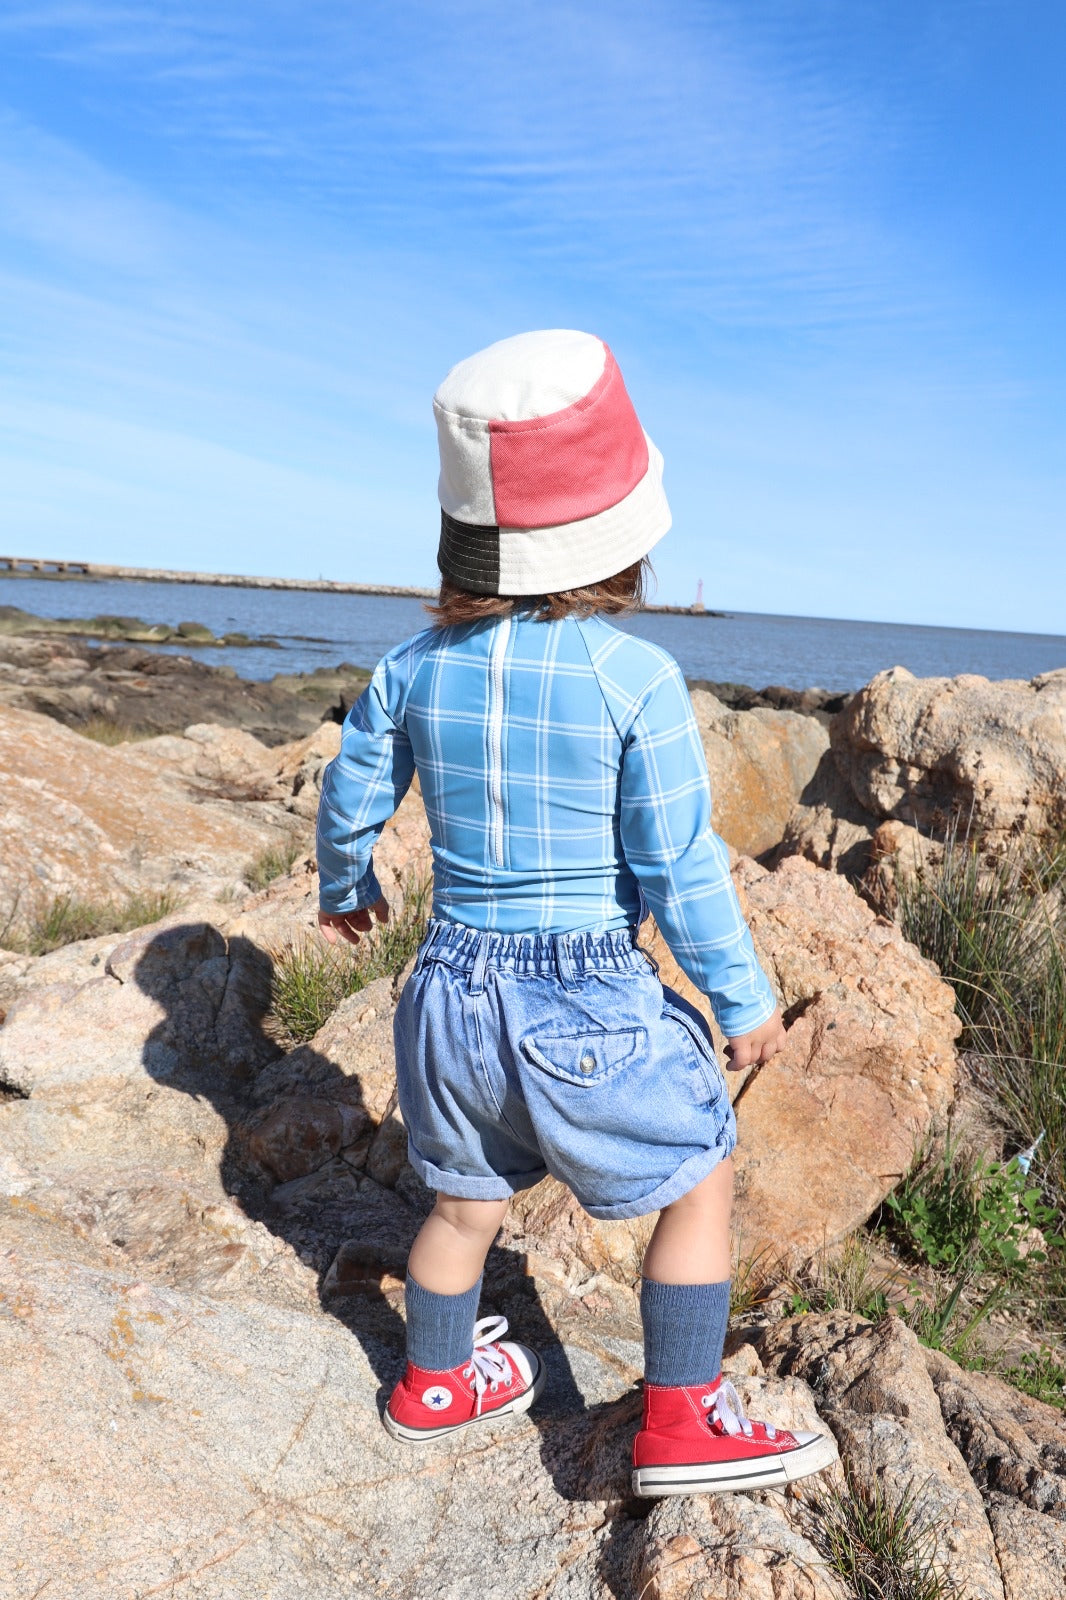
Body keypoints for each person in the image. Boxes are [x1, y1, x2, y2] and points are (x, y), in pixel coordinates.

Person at [316, 329, 835, 1497]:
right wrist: (738, 995)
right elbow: (675, 863)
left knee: (463, 1201)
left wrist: (344, 882)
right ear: (618, 540)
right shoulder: (632, 676)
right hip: (581, 993)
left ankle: (433, 1384)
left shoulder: (412, 665)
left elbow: (352, 777)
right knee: (700, 1171)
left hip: (444, 992)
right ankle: (685, 1419)